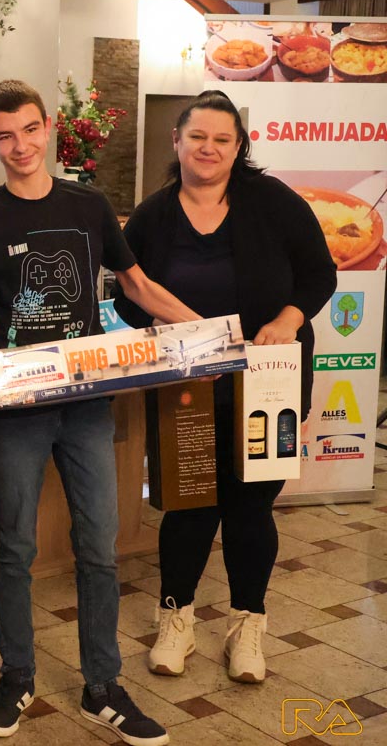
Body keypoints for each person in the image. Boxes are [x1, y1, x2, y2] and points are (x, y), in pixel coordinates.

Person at [0, 80, 202, 746]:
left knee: (98, 545)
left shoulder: (88, 205)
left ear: (48, 127)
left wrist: (209, 331)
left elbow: (137, 285)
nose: (20, 145)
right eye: (4, 136)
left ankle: (102, 685)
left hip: (85, 404)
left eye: (29, 130)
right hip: (15, 405)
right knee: (14, 546)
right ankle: (16, 675)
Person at [114, 90, 336, 684]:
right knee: (189, 503)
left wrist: (288, 319)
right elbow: (127, 299)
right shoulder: (154, 215)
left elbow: (320, 273)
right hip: (185, 384)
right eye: (197, 137)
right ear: (177, 141)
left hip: (269, 381)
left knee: (251, 508)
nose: (208, 148)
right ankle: (176, 619)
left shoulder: (274, 202)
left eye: (222, 139)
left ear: (239, 147)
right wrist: (171, 332)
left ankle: (247, 627)